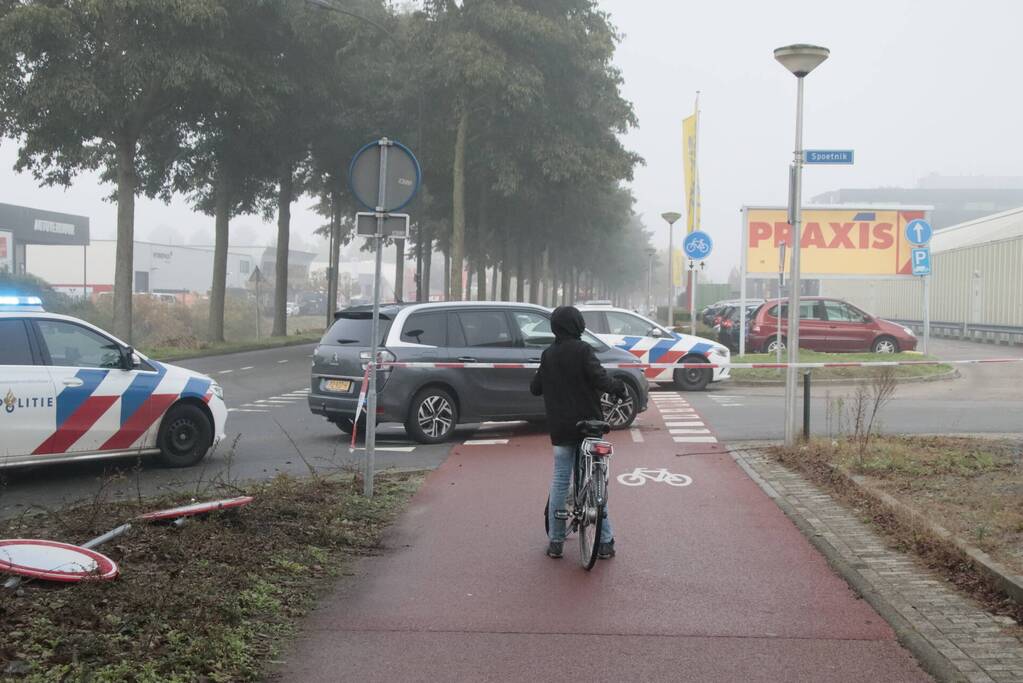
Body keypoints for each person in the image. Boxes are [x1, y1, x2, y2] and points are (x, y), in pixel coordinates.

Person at [530, 305, 627, 560]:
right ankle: (605, 542)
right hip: (589, 425)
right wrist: (619, 388)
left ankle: (556, 542)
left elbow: (535, 388)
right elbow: (600, 380)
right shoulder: (584, 350)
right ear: (578, 325)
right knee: (595, 482)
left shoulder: (548, 355)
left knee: (561, 480)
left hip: (561, 428)